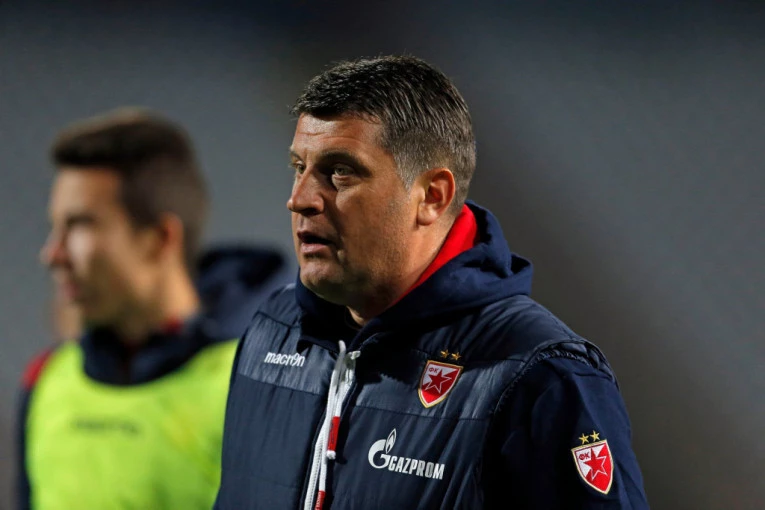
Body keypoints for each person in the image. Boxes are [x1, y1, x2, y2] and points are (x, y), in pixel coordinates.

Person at [214, 56, 650, 509]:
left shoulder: (542, 379)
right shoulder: (272, 329)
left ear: (432, 197)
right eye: (298, 167)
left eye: (340, 171)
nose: (299, 199)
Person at [16, 109, 289, 510]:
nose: (52, 254)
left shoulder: (262, 385)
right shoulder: (46, 380)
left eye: (80, 225)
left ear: (159, 238)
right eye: (55, 227)